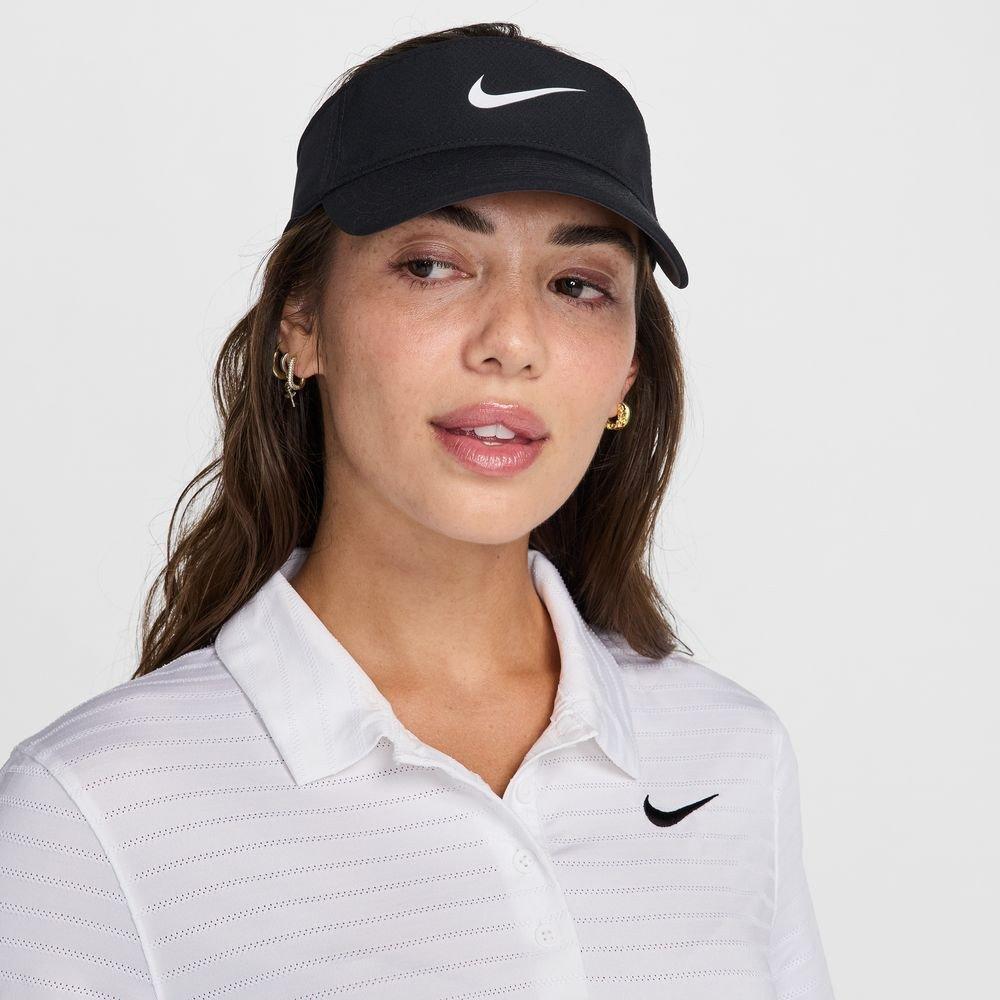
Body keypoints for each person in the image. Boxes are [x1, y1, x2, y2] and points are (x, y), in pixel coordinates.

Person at [0, 21, 835, 1000]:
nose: (511, 341)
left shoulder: (731, 754)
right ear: (302, 321)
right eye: (432, 265)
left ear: (627, 370)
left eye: (576, 286)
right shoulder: (92, 811)